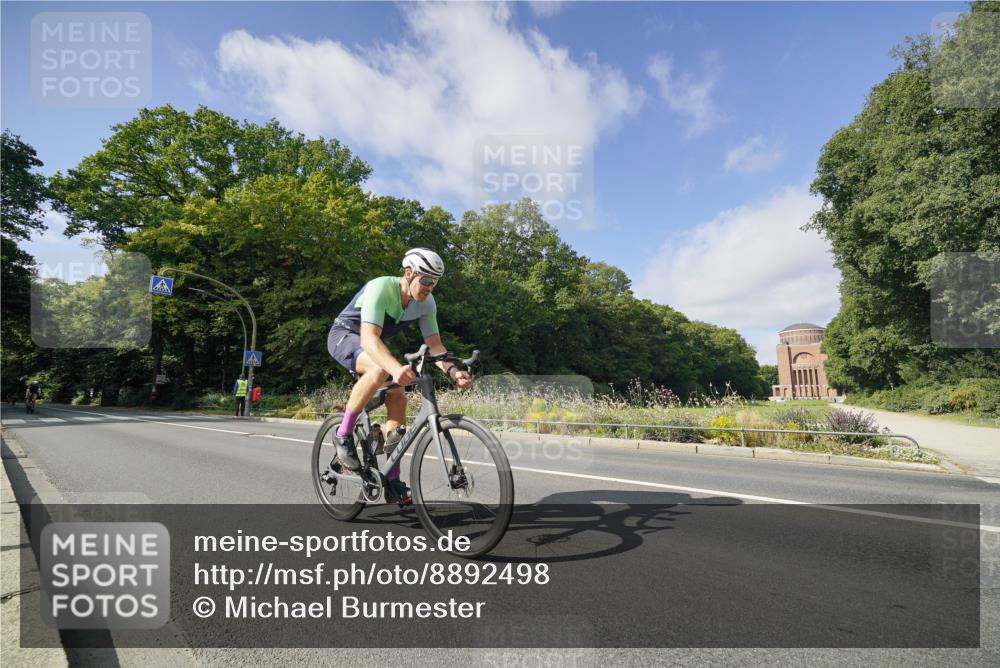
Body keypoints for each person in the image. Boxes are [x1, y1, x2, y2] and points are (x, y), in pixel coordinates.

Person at [327, 248, 473, 504]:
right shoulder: (380, 288)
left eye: (435, 282)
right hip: (346, 335)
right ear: (409, 273)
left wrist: (453, 371)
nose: (430, 286)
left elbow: (435, 346)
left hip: (371, 342)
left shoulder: (426, 303)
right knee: (381, 369)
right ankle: (343, 432)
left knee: (398, 397)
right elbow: (369, 339)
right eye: (425, 279)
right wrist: (395, 368)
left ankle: (391, 479)